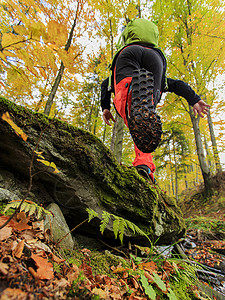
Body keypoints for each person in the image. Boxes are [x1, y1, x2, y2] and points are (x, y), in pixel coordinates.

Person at [101, 19, 210, 183]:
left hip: (128, 54)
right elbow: (177, 85)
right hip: (155, 58)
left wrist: (105, 107)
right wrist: (195, 99)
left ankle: (131, 91)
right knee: (144, 119)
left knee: (133, 118)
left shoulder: (127, 47)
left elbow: (105, 84)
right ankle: (144, 165)